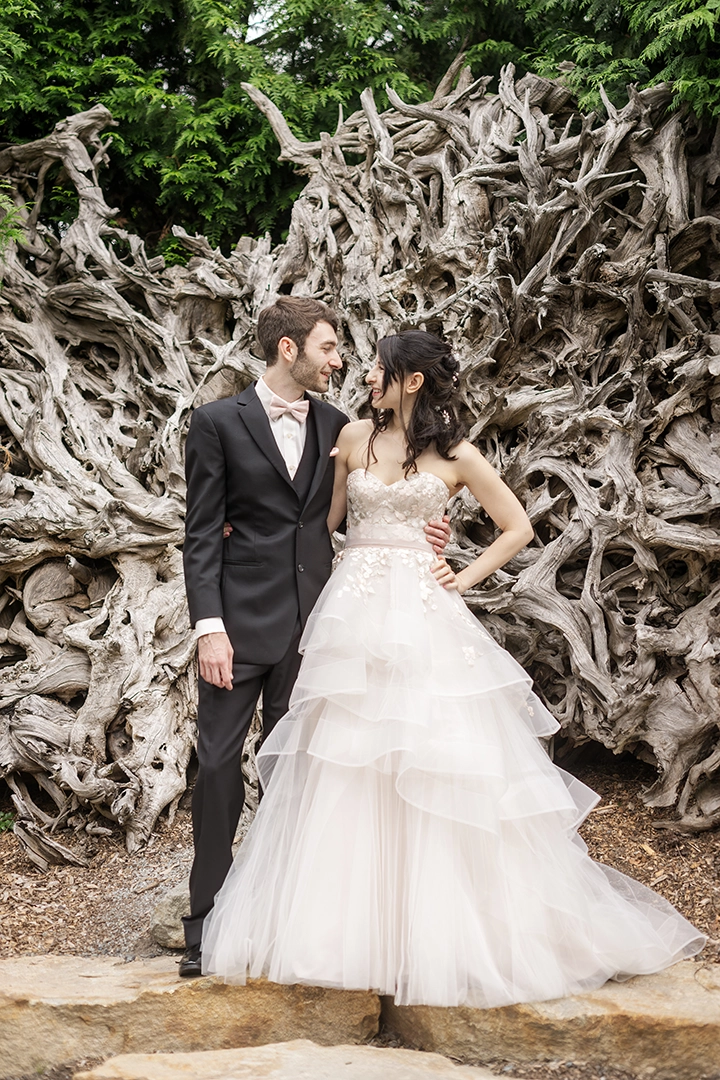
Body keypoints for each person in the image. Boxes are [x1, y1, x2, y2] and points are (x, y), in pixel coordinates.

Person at [200, 328, 705, 1006]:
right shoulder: (351, 438)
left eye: (379, 369)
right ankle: (340, 929)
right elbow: (318, 526)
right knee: (346, 757)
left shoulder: (458, 455)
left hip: (421, 612)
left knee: (429, 752)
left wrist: (461, 575)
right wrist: (245, 531)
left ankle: (437, 931)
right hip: (352, 611)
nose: (367, 376)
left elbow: (518, 526)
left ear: (411, 381)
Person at [180, 302, 450, 978]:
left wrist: (429, 537)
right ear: (289, 348)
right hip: (236, 631)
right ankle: (202, 925)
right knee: (216, 769)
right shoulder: (217, 423)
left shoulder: (342, 426)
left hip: (318, 631)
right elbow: (201, 534)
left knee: (301, 777)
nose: (339, 361)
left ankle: (282, 924)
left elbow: (358, 510)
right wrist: (208, 627)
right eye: (329, 349)